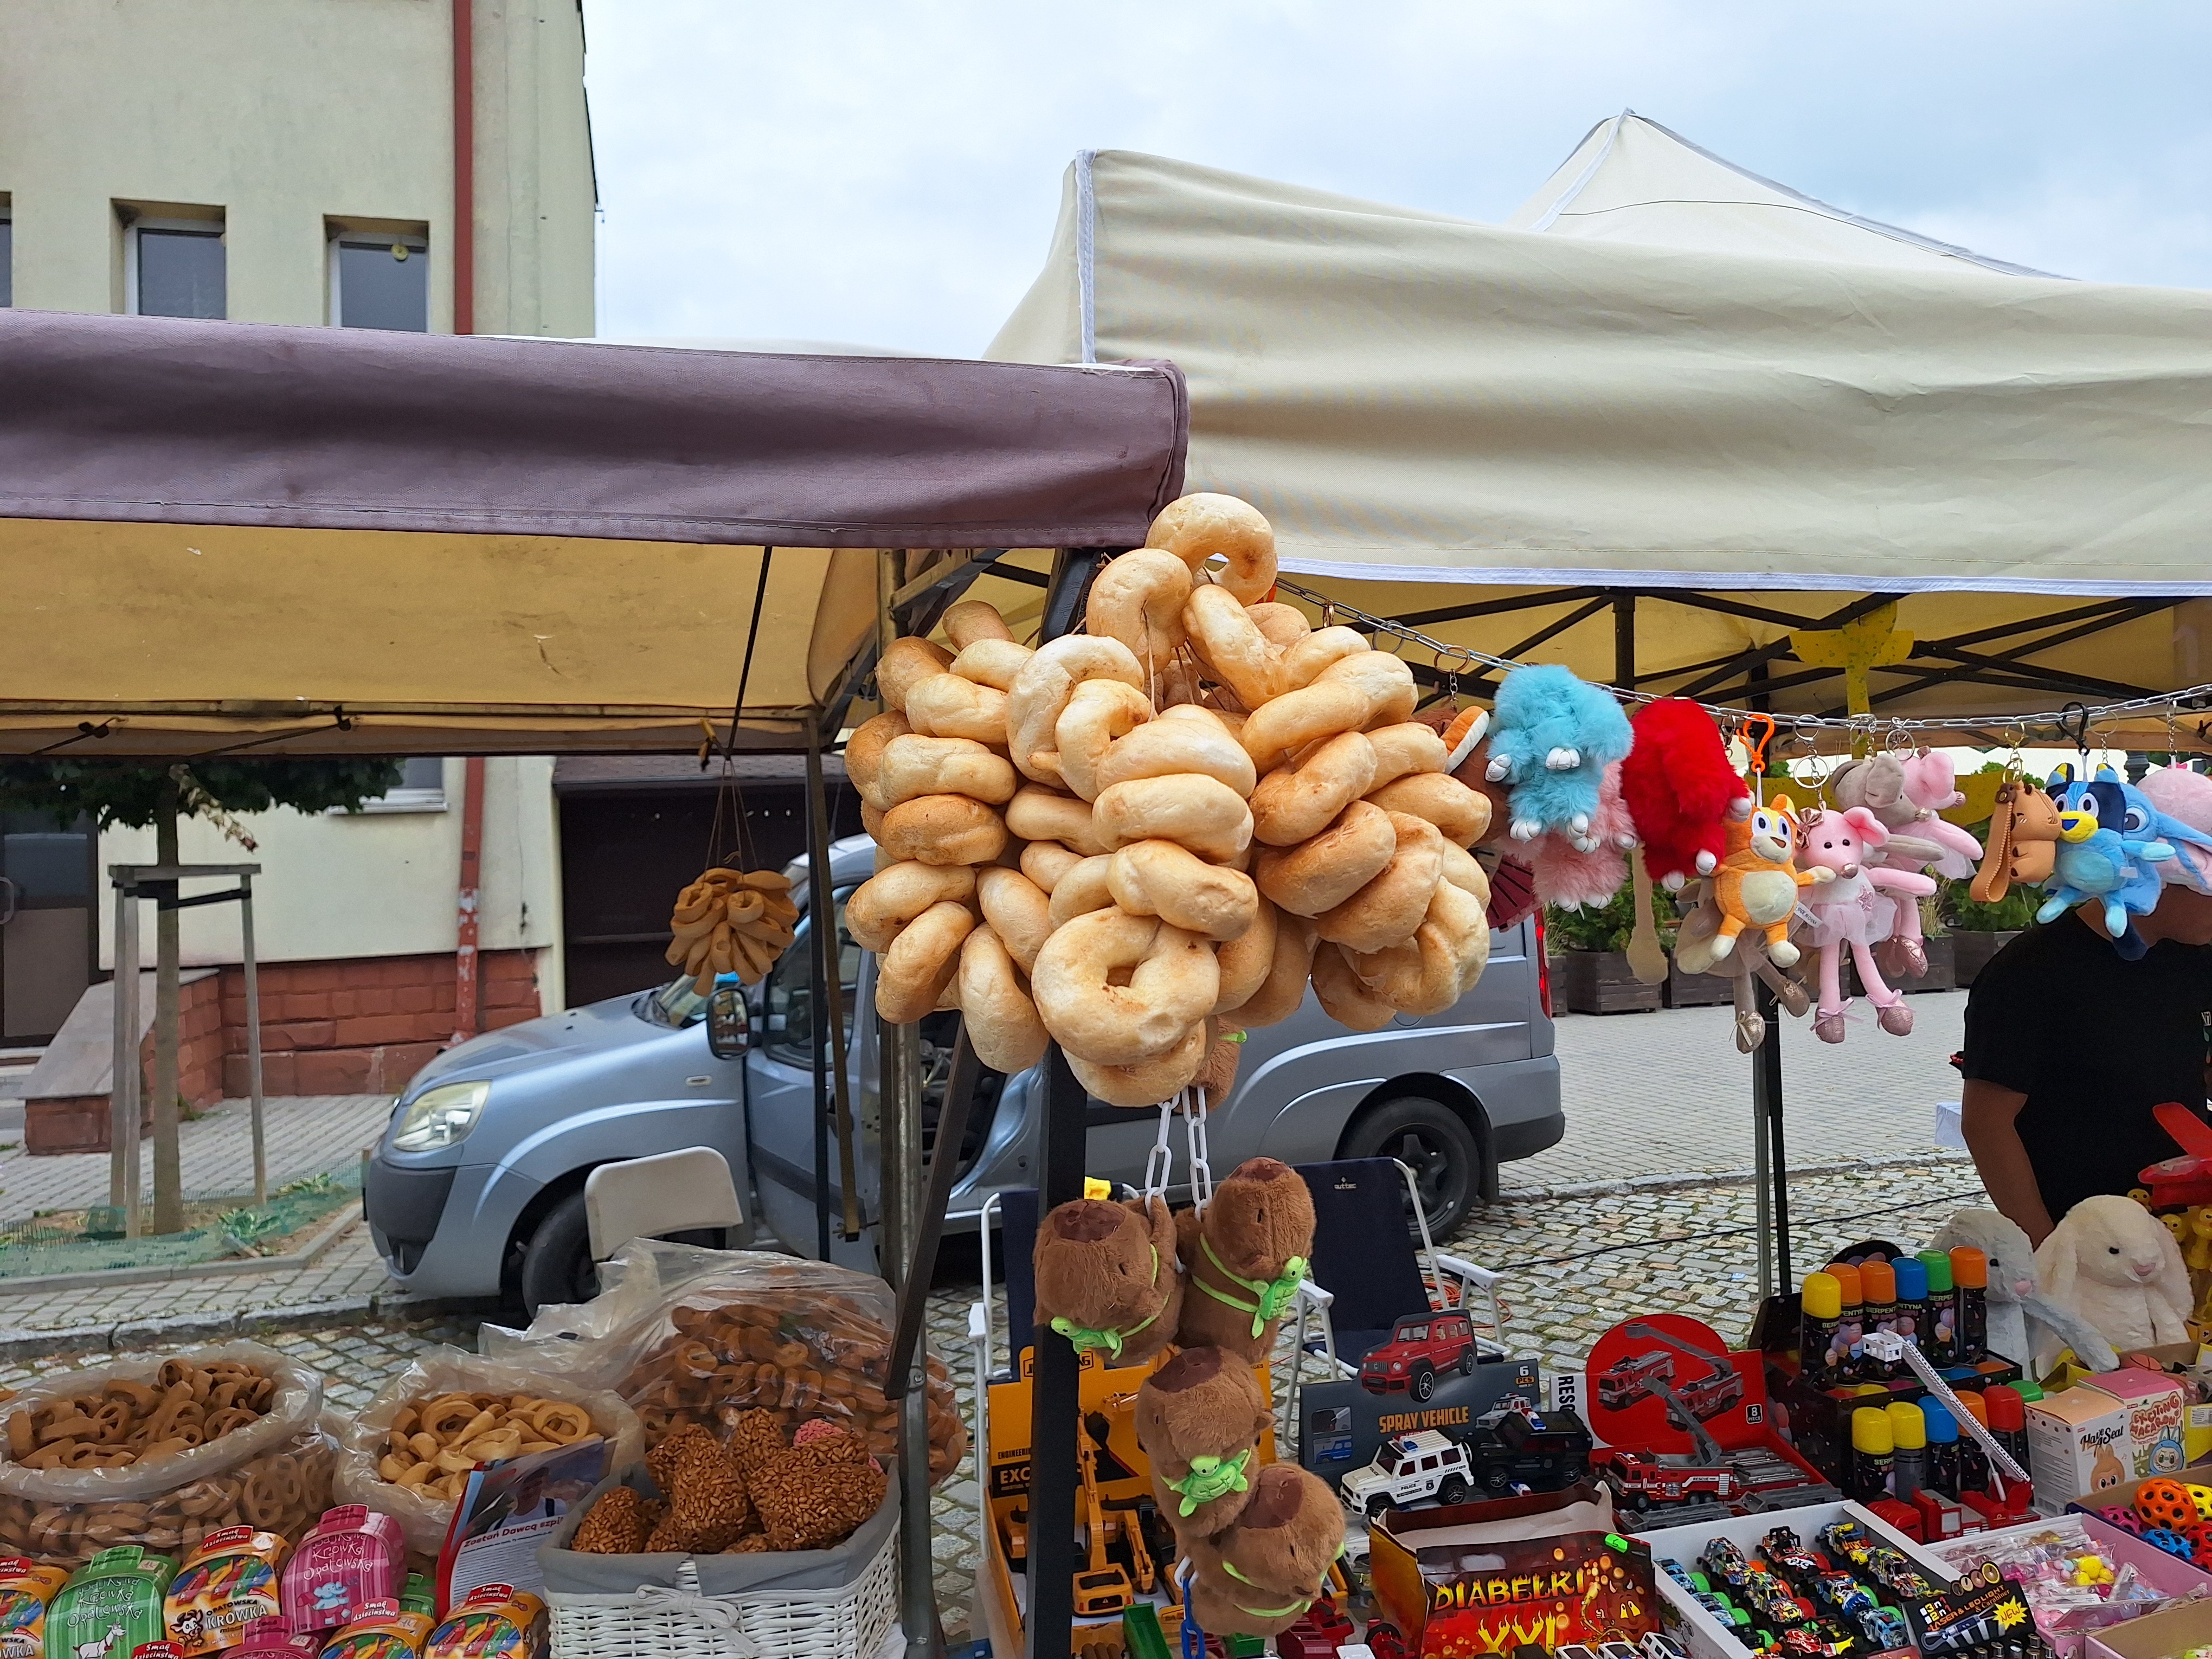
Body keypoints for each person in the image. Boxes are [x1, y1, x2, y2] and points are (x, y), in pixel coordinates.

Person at [1960, 768, 2212, 1246]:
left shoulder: (2194, 957)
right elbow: (1988, 1124)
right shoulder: (2031, 970)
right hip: (2085, 1233)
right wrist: (2047, 1247)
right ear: (2165, 880)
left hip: (2184, 1224)